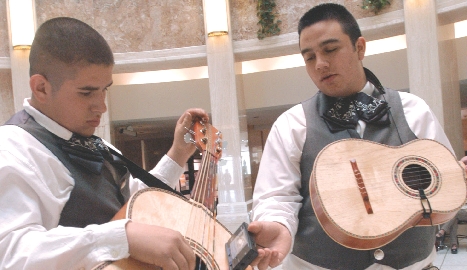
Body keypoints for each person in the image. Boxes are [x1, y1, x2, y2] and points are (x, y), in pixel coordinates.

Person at [248, 3, 457, 270]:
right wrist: (278, 226)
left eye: (330, 50)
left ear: (360, 48)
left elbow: (444, 183)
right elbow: (277, 197)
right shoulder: (291, 125)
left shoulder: (414, 110)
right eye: (309, 57)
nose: (320, 64)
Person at [0, 17, 205, 269]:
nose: (101, 106)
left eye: (104, 89)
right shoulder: (11, 148)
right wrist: (120, 236)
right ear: (41, 88)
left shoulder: (97, 145)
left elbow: (136, 203)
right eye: (86, 93)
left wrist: (177, 155)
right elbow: (10, 253)